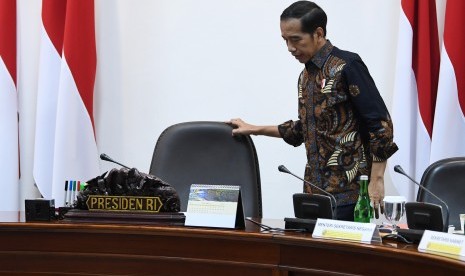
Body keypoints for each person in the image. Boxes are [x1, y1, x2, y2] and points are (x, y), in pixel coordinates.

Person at [228, 1, 398, 221]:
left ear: (318, 33)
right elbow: (305, 129)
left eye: (296, 39)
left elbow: (380, 124)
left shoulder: (347, 65)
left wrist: (377, 180)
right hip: (313, 193)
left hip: (350, 193)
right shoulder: (306, 76)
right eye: (285, 40)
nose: (290, 47)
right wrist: (254, 129)